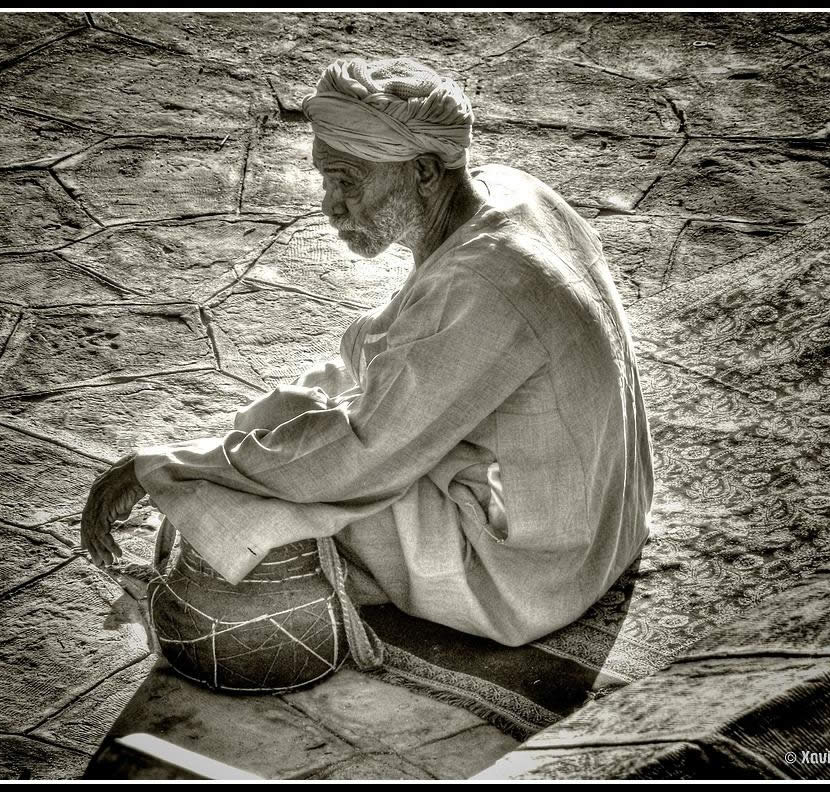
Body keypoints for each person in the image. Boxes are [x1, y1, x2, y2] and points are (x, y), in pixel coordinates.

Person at [82, 57, 654, 647]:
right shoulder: (508, 192)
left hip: (534, 574)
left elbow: (362, 451)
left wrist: (170, 469)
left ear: (426, 172)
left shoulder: (484, 284)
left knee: (271, 485)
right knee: (287, 422)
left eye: (348, 182)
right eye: (326, 180)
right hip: (611, 520)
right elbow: (389, 344)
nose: (330, 205)